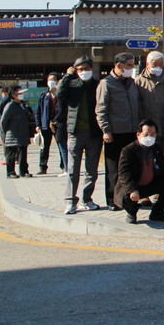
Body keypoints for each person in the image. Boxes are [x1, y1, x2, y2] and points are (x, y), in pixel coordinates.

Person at [96, 52, 142, 210]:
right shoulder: (106, 83)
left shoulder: (132, 83)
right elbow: (101, 109)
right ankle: (112, 200)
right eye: (129, 65)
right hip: (115, 133)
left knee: (129, 167)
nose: (131, 68)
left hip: (132, 131)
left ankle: (128, 197)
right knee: (114, 168)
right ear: (118, 66)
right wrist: (106, 130)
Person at [58, 56, 103, 214]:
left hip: (94, 132)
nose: (84, 72)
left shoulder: (98, 85)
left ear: (92, 68)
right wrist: (67, 76)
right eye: (80, 69)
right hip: (75, 132)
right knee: (72, 169)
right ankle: (70, 201)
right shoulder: (72, 84)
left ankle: (87, 199)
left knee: (91, 170)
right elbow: (59, 94)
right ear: (76, 71)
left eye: (87, 68)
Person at [114, 120, 164, 224]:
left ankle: (158, 212)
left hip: (150, 183)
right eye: (146, 134)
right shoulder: (128, 150)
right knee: (126, 195)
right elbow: (124, 173)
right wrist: (132, 189)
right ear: (138, 135)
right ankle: (132, 212)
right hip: (135, 185)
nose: (149, 137)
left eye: (152, 134)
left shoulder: (156, 148)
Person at [134, 51, 164, 151]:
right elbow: (136, 105)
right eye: (155, 64)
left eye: (161, 65)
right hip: (146, 129)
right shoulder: (139, 81)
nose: (158, 67)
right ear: (147, 64)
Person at [34, 72, 63, 174]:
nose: (51, 82)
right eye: (49, 80)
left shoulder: (61, 94)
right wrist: (38, 124)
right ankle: (43, 167)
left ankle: (63, 166)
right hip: (45, 125)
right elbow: (38, 111)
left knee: (61, 146)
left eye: (53, 80)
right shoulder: (43, 95)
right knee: (44, 147)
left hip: (57, 124)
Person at [1, 86, 33, 178]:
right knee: (11, 153)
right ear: (13, 95)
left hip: (23, 133)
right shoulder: (10, 105)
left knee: (23, 152)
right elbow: (3, 121)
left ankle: (24, 171)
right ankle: (10, 172)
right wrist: (5, 132)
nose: (21, 95)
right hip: (12, 134)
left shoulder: (22, 105)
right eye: (19, 93)